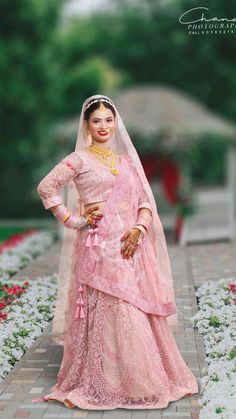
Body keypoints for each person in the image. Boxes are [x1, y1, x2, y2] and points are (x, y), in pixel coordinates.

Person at [33, 95, 198, 410]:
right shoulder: (78, 160)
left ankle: (141, 380)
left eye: (109, 120)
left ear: (115, 122)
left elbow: (145, 203)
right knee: (112, 311)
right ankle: (106, 381)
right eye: (97, 121)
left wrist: (139, 229)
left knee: (132, 310)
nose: (104, 126)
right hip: (97, 249)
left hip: (129, 247)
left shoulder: (126, 162)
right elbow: (46, 187)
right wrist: (75, 220)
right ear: (87, 125)